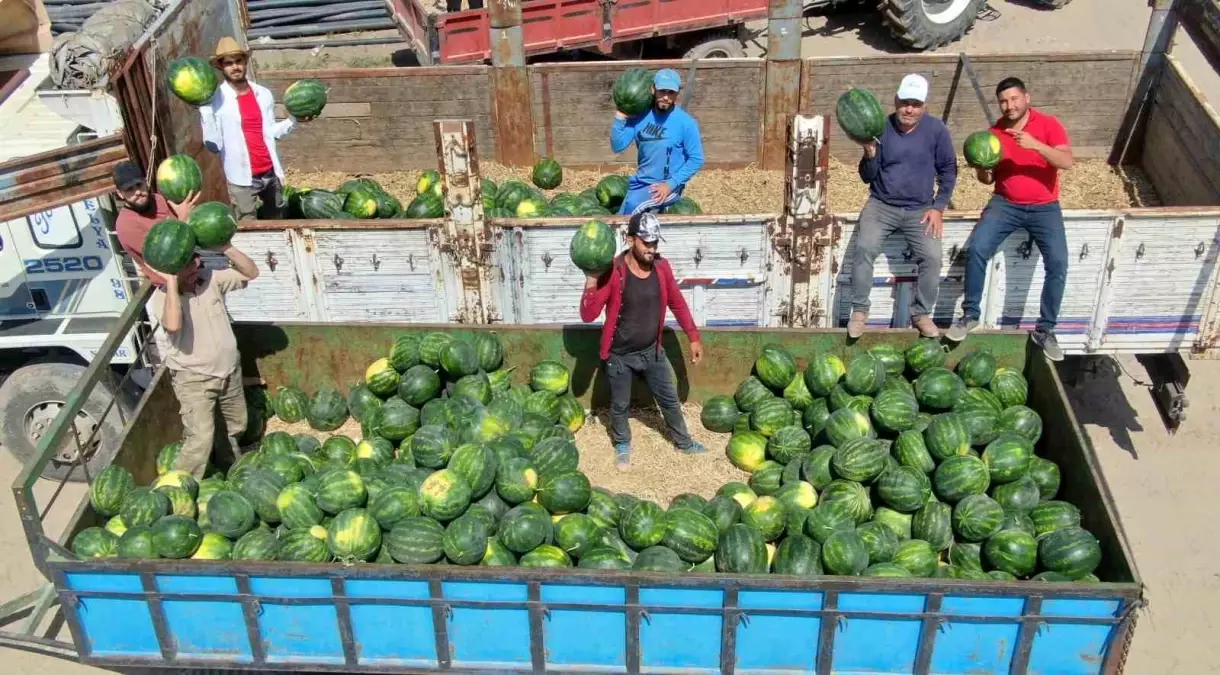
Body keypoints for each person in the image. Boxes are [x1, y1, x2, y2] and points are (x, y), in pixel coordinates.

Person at [945, 76, 1074, 361]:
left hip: (1045, 206)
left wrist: (1035, 145)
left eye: (1014, 99)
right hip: (1006, 203)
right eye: (1003, 101)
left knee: (1059, 263)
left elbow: (1066, 161)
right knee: (977, 249)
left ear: (1027, 98)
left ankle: (1045, 329)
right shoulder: (993, 134)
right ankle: (970, 315)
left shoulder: (1048, 125)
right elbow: (986, 178)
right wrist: (982, 168)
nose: (1009, 105)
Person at [579, 212, 706, 469]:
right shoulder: (613, 271)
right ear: (630, 240)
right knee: (620, 404)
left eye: (654, 242)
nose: (651, 248)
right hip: (620, 354)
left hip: (651, 351)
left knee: (669, 399)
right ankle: (623, 443)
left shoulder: (662, 268)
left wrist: (693, 336)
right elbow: (588, 314)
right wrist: (591, 280)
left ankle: (683, 442)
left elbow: (677, 304)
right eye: (645, 242)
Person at [848, 74, 957, 339]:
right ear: (896, 100)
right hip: (881, 204)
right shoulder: (880, 128)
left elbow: (949, 170)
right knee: (864, 249)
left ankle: (921, 313)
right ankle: (860, 310)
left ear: (924, 106)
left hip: (921, 209)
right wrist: (870, 153)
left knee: (932, 257)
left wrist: (938, 207)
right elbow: (867, 176)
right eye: (905, 102)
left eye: (916, 104)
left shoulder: (937, 131)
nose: (909, 109)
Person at [148, 229, 261, 480]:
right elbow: (174, 325)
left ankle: (229, 468)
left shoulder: (211, 280)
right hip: (194, 379)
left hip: (229, 370)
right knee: (199, 440)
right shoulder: (162, 298)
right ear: (174, 269)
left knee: (235, 425)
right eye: (189, 262)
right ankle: (179, 490)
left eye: (196, 257)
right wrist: (171, 281)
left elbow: (251, 272)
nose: (197, 263)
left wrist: (226, 247)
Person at [200, 36, 308, 221]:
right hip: (241, 178)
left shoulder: (263, 94)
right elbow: (214, 145)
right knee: (248, 225)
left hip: (270, 171)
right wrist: (205, 112)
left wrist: (295, 119)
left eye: (238, 61)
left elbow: (272, 132)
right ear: (220, 67)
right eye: (229, 63)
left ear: (245, 62)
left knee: (277, 220)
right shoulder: (215, 100)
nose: (235, 67)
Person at [610, 69, 705, 216]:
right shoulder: (640, 116)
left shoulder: (686, 123)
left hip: (664, 187)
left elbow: (696, 159)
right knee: (619, 219)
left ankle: (664, 208)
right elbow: (618, 146)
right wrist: (620, 118)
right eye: (662, 91)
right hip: (640, 182)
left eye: (671, 92)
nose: (666, 97)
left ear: (677, 93)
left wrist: (670, 185)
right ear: (653, 89)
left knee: (629, 217)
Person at [112, 160, 203, 288]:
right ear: (120, 194)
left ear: (146, 182)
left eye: (139, 185)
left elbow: (190, 229)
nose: (137, 192)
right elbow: (165, 258)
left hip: (197, 270)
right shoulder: (126, 225)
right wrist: (182, 219)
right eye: (129, 189)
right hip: (175, 287)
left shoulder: (158, 199)